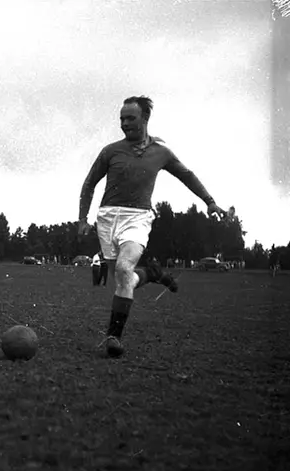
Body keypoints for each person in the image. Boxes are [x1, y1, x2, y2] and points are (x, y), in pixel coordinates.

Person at [78, 96, 226, 358]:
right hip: (107, 218)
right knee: (124, 279)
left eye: (130, 118)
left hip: (138, 218)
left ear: (145, 118)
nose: (124, 123)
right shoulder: (110, 151)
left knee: (124, 269)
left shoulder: (161, 152)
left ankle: (113, 336)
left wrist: (210, 201)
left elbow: (187, 175)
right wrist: (82, 219)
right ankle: (153, 275)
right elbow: (89, 183)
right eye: (122, 119)